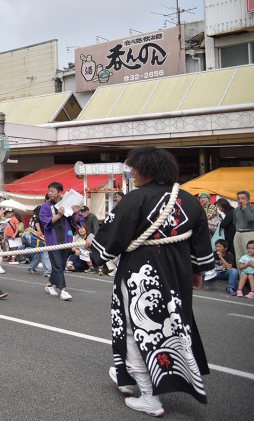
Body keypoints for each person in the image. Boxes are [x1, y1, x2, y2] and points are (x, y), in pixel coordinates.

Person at [88, 146, 212, 417]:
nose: (131, 172)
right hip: (177, 274)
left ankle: (148, 396)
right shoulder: (190, 201)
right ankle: (128, 373)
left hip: (141, 273)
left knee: (135, 328)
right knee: (172, 325)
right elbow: (200, 243)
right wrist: (197, 271)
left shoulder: (135, 199)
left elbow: (113, 236)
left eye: (134, 168)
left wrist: (94, 249)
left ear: (147, 170)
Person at [39, 181, 82, 301]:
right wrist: (58, 215)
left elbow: (76, 221)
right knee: (57, 265)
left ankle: (49, 285)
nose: (50, 193)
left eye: (52, 191)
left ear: (60, 193)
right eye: (49, 191)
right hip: (52, 240)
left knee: (61, 265)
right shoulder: (45, 206)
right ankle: (63, 290)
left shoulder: (66, 204)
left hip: (66, 238)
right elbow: (44, 222)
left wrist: (76, 213)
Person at [233, 190, 254, 262]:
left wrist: (245, 208)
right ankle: (241, 273)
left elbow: (250, 219)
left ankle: (250, 272)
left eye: (242, 198)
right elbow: (235, 221)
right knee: (238, 255)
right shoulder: (236, 210)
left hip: (248, 232)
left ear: (248, 199)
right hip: (238, 233)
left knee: (248, 254)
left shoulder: (252, 208)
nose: (240, 200)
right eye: (238, 198)